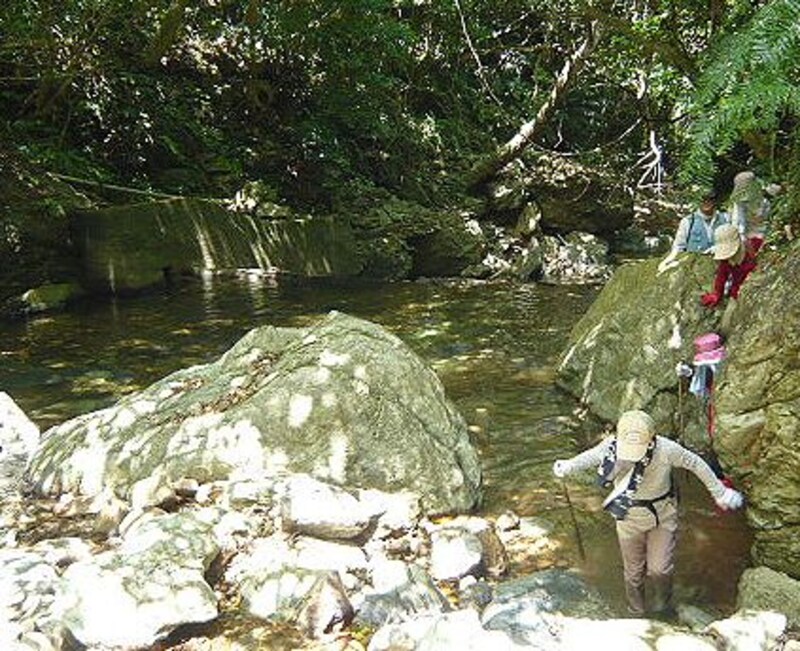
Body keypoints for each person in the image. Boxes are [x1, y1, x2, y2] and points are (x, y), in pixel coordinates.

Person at [552, 410, 743, 617]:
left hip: (662, 515)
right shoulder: (611, 447)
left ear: (652, 438)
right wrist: (569, 465)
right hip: (628, 517)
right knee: (633, 574)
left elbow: (695, 463)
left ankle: (663, 605)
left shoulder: (667, 449)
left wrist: (719, 492)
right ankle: (636, 612)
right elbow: (591, 456)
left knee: (659, 570)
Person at [658, 192, 730, 273]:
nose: (706, 202)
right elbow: (678, 247)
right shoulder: (688, 221)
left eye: (710, 199)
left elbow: (733, 242)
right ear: (698, 201)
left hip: (722, 269)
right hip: (694, 271)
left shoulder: (725, 218)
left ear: (715, 201)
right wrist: (668, 261)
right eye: (703, 200)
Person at [700, 223, 757, 308]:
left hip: (755, 292)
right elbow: (721, 276)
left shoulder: (755, 245)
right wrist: (717, 293)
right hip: (737, 294)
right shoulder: (725, 261)